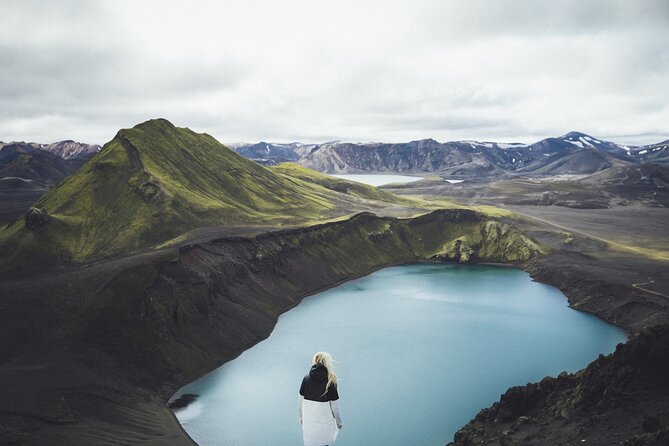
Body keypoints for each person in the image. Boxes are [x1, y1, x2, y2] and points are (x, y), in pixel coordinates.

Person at [298, 352, 343, 446]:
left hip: (309, 423)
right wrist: (339, 423)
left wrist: (301, 418)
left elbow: (300, 403)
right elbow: (335, 407)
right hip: (325, 424)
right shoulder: (331, 381)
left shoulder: (306, 378)